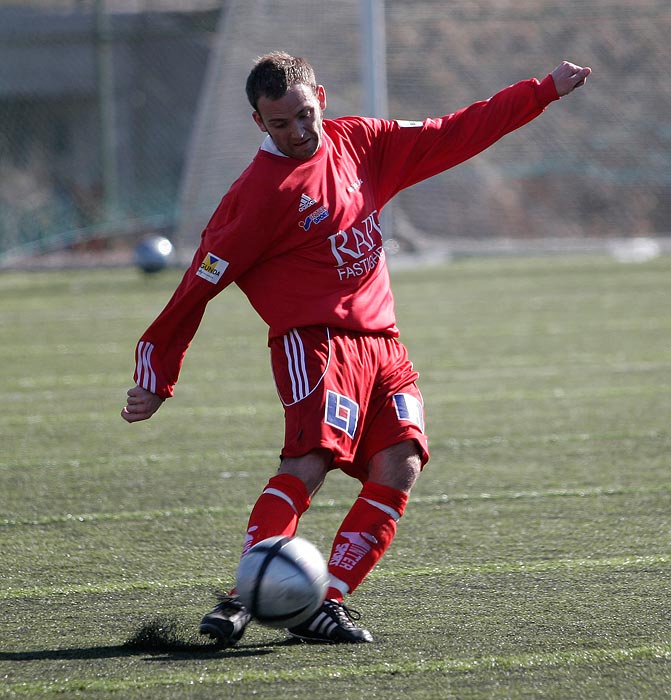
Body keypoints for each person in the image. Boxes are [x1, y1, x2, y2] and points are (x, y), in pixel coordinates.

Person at [121, 51, 591, 645]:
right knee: (310, 462)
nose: (296, 131)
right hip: (314, 344)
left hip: (384, 347)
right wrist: (156, 373)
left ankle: (325, 600)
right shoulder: (258, 195)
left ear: (320, 96)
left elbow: (456, 131)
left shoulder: (362, 143)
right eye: (279, 124)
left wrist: (541, 91)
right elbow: (199, 281)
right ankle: (245, 596)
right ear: (258, 124)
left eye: (303, 114)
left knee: (403, 463)